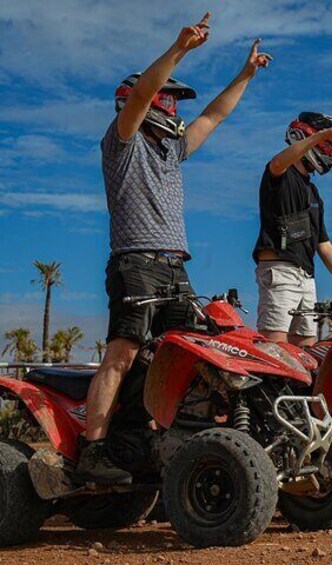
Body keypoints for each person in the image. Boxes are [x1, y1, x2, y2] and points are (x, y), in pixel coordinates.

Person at [83, 12, 272, 484]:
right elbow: (143, 92)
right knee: (122, 354)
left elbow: (215, 114)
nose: (171, 107)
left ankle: (162, 446)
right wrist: (180, 48)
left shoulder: (173, 151)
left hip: (176, 268)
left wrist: (245, 73)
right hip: (135, 264)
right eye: (166, 98)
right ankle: (94, 451)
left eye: (173, 100)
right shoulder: (122, 141)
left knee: (187, 361)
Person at [253, 111, 332, 346]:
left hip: (306, 276)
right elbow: (277, 163)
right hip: (280, 271)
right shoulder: (280, 173)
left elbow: (323, 244)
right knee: (274, 349)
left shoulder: (313, 193)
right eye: (328, 144)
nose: (330, 151)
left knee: (306, 350)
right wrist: (322, 135)